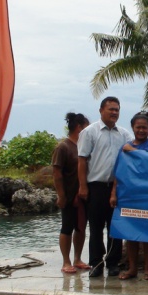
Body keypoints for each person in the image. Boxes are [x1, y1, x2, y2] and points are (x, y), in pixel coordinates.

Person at [78, 96, 133, 278]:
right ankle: (95, 263)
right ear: (101, 110)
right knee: (95, 227)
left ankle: (113, 263)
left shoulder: (124, 134)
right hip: (95, 187)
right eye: (111, 109)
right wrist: (83, 186)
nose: (114, 113)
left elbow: (135, 151)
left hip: (116, 188)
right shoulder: (90, 132)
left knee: (115, 227)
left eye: (117, 109)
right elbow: (82, 160)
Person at [110, 111, 148, 281]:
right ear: (132, 127)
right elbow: (118, 172)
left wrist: (131, 150)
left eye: (144, 127)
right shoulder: (123, 147)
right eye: (138, 127)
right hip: (128, 195)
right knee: (130, 234)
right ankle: (132, 269)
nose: (141, 130)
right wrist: (113, 193)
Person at [52, 112, 90, 274]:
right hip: (68, 194)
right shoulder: (63, 147)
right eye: (86, 128)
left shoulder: (83, 146)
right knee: (67, 227)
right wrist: (61, 195)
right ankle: (66, 261)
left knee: (80, 227)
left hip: (83, 195)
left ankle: (77, 258)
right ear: (79, 127)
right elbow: (57, 173)